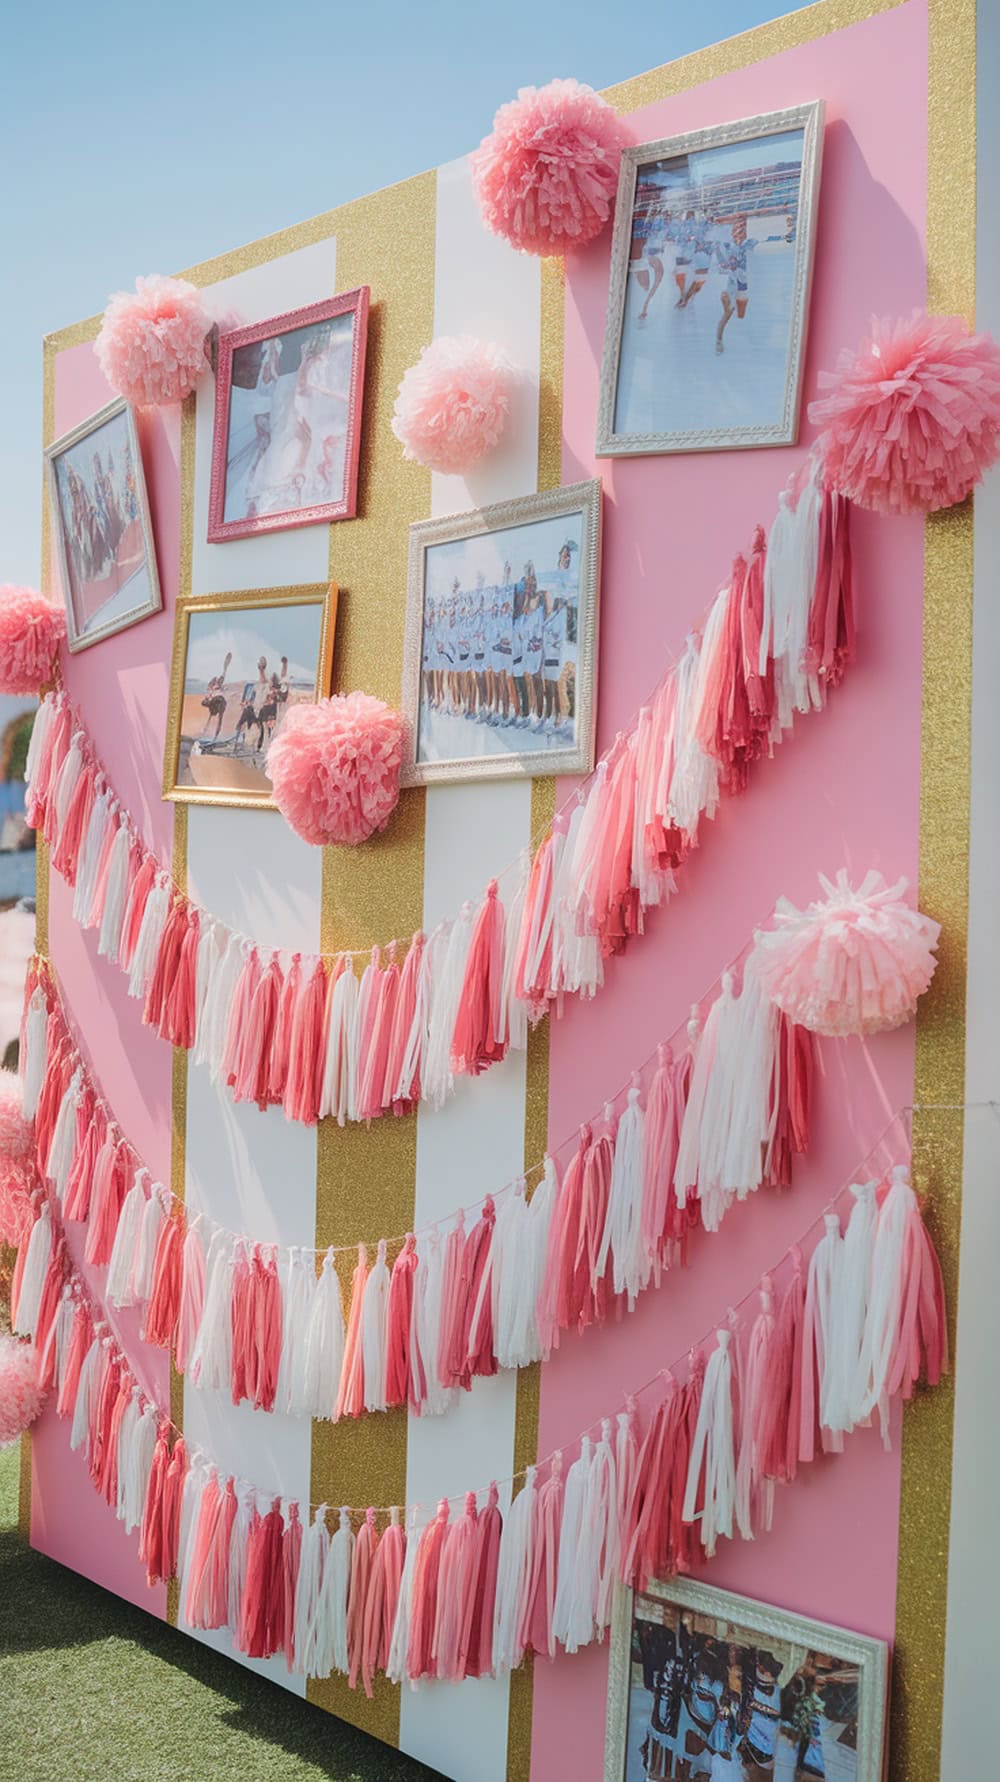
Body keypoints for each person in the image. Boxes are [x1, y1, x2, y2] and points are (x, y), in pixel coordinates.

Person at [714, 215, 758, 355]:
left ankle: (723, 340)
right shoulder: (731, 249)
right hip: (737, 286)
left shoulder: (743, 245)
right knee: (731, 315)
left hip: (741, 285)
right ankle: (719, 341)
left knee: (740, 315)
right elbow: (724, 259)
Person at [200, 651, 233, 741]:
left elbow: (223, 675)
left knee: (219, 718)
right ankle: (206, 731)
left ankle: (215, 735)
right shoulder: (210, 689)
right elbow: (206, 699)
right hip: (215, 703)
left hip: (220, 701)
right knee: (212, 714)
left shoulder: (217, 685)